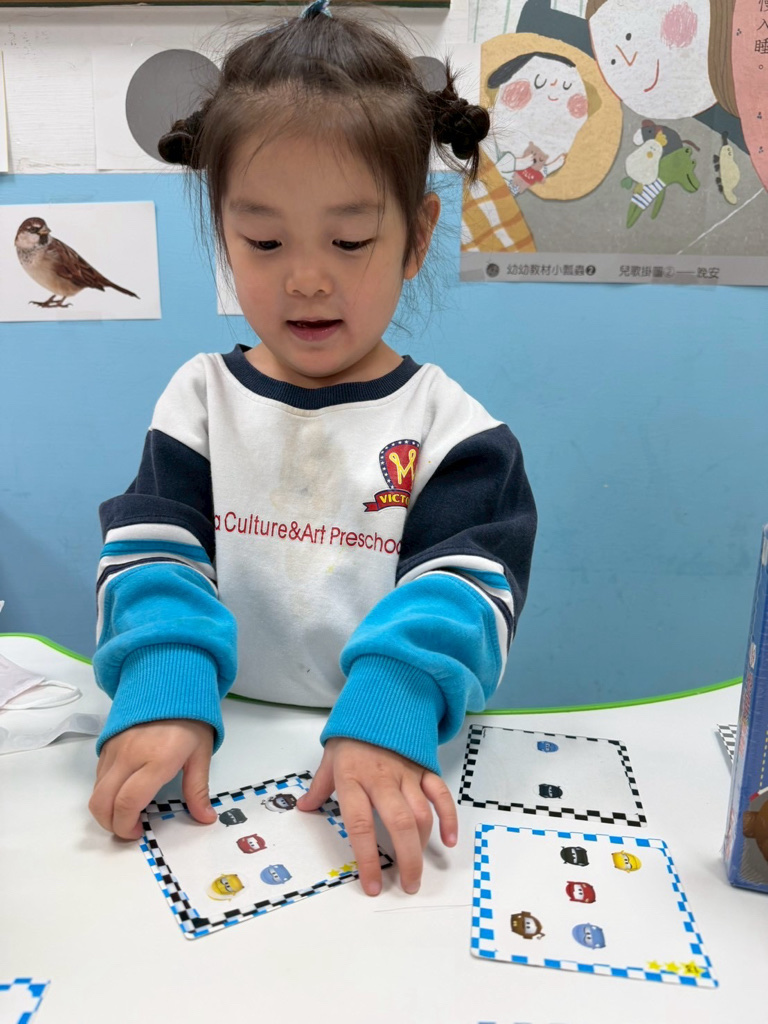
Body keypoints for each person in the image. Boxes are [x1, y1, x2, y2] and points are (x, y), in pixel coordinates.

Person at [88, 0, 537, 897]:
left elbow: (460, 593)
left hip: (379, 751)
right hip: (215, 751)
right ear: (224, 232)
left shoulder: (455, 432)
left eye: (349, 240)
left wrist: (393, 707)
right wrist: (163, 681)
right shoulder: (200, 400)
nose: (305, 277)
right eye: (263, 241)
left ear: (417, 236)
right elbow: (156, 557)